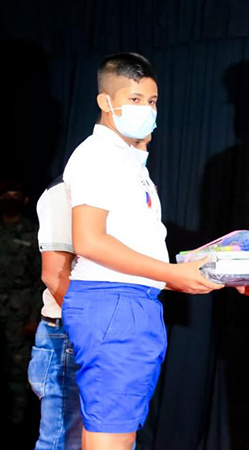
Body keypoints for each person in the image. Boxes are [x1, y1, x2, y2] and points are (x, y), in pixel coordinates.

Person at [61, 53, 221, 450]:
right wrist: (170, 273)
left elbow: (135, 235)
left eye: (152, 102)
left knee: (121, 427)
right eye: (135, 100)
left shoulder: (126, 159)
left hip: (131, 301)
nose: (147, 110)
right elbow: (89, 240)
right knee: (111, 431)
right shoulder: (97, 155)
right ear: (105, 102)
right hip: (113, 301)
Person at [29, 135, 151, 450]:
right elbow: (55, 275)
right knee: (63, 442)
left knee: (110, 437)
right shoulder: (64, 191)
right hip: (72, 337)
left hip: (109, 334)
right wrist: (93, 329)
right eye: (134, 145)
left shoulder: (125, 199)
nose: (142, 153)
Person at [0, 180, 43, 444]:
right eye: (6, 194)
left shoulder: (33, 234)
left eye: (16, 195)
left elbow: (41, 280)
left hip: (18, 315)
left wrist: (33, 319)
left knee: (18, 374)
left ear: (25, 201)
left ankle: (16, 428)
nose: (10, 198)